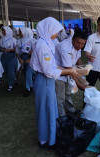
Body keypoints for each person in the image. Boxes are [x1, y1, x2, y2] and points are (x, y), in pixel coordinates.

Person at [30, 17, 80, 147]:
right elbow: (48, 71)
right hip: (44, 80)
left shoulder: (48, 43)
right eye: (56, 31)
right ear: (49, 29)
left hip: (48, 81)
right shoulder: (42, 45)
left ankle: (51, 137)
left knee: (51, 108)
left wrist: (67, 69)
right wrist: (69, 72)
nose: (57, 34)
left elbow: (53, 66)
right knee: (44, 110)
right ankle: (44, 139)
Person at [55, 30, 88, 116]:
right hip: (58, 74)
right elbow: (69, 70)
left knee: (67, 93)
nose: (79, 46)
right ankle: (62, 117)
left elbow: (78, 59)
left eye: (82, 44)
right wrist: (80, 85)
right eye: (78, 42)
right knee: (60, 97)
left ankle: (71, 112)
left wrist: (83, 71)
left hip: (68, 72)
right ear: (73, 39)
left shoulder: (78, 47)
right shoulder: (65, 47)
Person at [16, 27, 34, 96]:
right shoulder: (19, 41)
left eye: (21, 32)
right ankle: (31, 85)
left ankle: (27, 89)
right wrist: (20, 59)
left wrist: (30, 59)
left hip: (30, 58)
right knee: (24, 73)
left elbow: (36, 51)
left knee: (28, 73)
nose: (19, 33)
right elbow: (17, 52)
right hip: (22, 57)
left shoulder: (32, 41)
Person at [0, 26, 18, 92]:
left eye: (4, 30)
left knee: (10, 71)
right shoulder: (1, 39)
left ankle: (10, 84)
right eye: (2, 31)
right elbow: (0, 48)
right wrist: (2, 50)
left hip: (11, 56)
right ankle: (13, 79)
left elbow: (16, 49)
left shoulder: (13, 40)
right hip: (4, 56)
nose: (3, 32)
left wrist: (10, 50)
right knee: (6, 70)